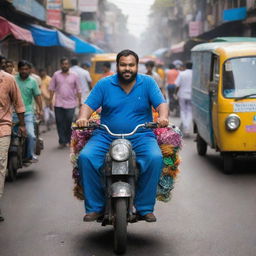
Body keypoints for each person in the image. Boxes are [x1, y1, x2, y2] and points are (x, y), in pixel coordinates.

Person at [76, 49, 169, 222]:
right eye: (123, 65)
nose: (127, 68)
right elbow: (88, 105)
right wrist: (82, 117)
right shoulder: (104, 84)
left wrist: (163, 117)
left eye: (131, 65)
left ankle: (144, 207)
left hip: (141, 136)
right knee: (86, 157)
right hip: (105, 135)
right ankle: (96, 207)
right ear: (117, 66)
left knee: (155, 158)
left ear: (137, 66)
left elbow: (161, 103)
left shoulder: (148, 83)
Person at [0, 64, 26, 221]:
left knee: (0, 166)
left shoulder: (8, 79)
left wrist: (22, 124)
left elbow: (19, 103)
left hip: (2, 128)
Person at [49, 57, 82, 149]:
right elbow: (51, 88)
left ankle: (68, 139)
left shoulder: (74, 75)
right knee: (59, 122)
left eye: (66, 64)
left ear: (69, 65)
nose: (64, 65)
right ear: (60, 65)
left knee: (68, 121)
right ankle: (62, 140)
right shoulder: (56, 75)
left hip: (71, 103)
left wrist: (80, 102)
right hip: (58, 103)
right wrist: (50, 101)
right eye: (63, 64)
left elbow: (79, 89)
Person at [14, 60, 43, 162]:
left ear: (29, 70)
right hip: (12, 113)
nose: (24, 71)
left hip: (28, 113)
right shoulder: (13, 80)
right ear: (18, 70)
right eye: (22, 69)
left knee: (31, 135)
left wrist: (40, 109)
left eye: (26, 69)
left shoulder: (33, 81)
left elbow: (37, 96)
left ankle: (30, 155)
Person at [175, 62, 193, 137]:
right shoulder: (195, 74)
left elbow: (177, 85)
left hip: (182, 94)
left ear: (185, 66)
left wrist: (175, 93)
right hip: (191, 95)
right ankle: (187, 128)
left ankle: (185, 127)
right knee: (189, 111)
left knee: (183, 111)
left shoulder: (182, 73)